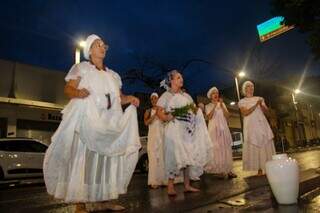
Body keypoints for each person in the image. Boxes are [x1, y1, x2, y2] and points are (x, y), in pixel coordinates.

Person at [43, 34, 141, 212]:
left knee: (106, 160)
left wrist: (130, 99)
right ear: (90, 50)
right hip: (88, 119)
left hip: (110, 120)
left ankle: (106, 199)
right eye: (98, 45)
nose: (102, 47)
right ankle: (81, 203)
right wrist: (78, 93)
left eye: (104, 45)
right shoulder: (82, 68)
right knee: (85, 158)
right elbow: (68, 88)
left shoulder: (113, 75)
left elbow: (120, 98)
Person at [157, 70, 212, 196]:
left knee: (187, 156)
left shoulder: (186, 96)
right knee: (173, 156)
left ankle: (187, 185)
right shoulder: (166, 96)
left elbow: (193, 110)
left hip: (186, 131)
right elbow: (159, 111)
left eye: (181, 77)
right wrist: (166, 117)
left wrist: (200, 108)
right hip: (173, 130)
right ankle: (170, 186)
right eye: (178, 77)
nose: (181, 79)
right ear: (171, 81)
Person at [238, 81, 275, 176]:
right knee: (255, 143)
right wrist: (255, 105)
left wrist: (262, 105)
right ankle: (259, 169)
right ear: (245, 89)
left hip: (261, 124)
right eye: (249, 86)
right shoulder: (242, 102)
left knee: (264, 143)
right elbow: (245, 113)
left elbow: (267, 113)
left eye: (252, 86)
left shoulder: (260, 99)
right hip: (251, 126)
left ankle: (267, 167)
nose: (251, 88)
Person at [205, 87, 237, 178]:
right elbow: (209, 117)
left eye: (217, 93)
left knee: (226, 148)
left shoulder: (222, 104)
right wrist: (214, 106)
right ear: (210, 96)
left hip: (223, 129)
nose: (216, 94)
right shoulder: (208, 106)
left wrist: (222, 105)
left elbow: (227, 116)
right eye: (214, 93)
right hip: (214, 130)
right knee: (217, 149)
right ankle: (219, 170)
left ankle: (229, 170)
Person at [144, 92, 166, 188]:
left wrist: (160, 113)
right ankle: (154, 181)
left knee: (162, 157)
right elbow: (146, 122)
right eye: (152, 99)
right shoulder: (148, 111)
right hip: (153, 137)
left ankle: (163, 180)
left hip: (161, 136)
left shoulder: (162, 109)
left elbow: (165, 120)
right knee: (153, 158)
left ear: (158, 99)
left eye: (155, 98)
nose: (154, 100)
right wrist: (155, 115)